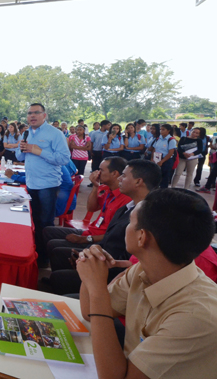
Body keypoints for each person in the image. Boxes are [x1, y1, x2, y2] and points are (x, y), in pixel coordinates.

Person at [76, 188, 217, 379]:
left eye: (130, 222)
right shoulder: (142, 270)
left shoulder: (195, 316)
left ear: (142, 237)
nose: (126, 227)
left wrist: (96, 286)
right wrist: (91, 271)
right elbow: (88, 312)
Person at [49, 160, 161, 295]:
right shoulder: (128, 206)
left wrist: (95, 262)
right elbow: (108, 237)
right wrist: (89, 254)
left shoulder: (148, 217)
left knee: (59, 278)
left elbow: (131, 262)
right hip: (103, 257)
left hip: (114, 272)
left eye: (124, 176)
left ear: (138, 182)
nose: (120, 178)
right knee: (60, 254)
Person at [15, 103, 71, 265]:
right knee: (33, 220)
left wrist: (38, 150)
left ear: (44, 115)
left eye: (36, 113)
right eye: (29, 113)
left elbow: (63, 159)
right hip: (31, 183)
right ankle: (35, 252)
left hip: (48, 184)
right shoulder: (26, 133)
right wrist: (23, 149)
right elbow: (19, 157)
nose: (32, 116)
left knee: (45, 222)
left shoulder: (55, 134)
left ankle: (45, 259)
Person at [43, 156, 130, 257]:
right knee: (48, 231)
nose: (97, 173)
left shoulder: (126, 200)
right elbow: (92, 208)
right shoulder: (108, 190)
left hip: (98, 241)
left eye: (101, 170)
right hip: (90, 232)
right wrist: (95, 186)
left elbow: (114, 236)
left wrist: (85, 239)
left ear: (114, 173)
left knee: (54, 246)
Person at [147, 123, 176, 188]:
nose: (161, 131)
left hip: (166, 160)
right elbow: (154, 149)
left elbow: (170, 153)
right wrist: (152, 158)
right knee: (155, 176)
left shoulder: (171, 140)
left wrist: (162, 161)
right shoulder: (158, 139)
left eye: (163, 130)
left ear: (168, 131)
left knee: (164, 177)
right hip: (156, 158)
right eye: (160, 129)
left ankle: (163, 192)